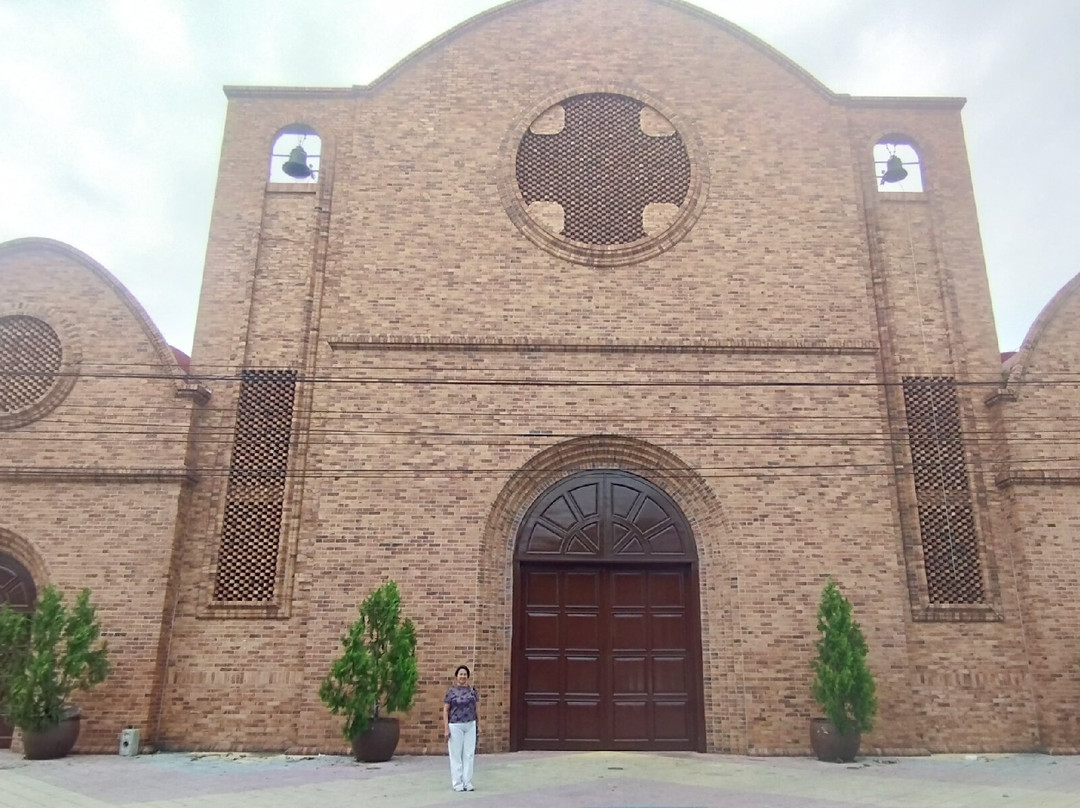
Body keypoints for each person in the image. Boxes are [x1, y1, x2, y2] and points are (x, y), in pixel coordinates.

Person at [443, 664, 479, 792]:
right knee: (456, 755)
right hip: (455, 725)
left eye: (465, 674)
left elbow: (476, 709)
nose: (462, 676)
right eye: (460, 674)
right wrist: (446, 728)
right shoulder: (451, 692)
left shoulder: (472, 691)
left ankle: (467, 782)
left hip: (470, 724)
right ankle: (457, 783)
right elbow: (446, 710)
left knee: (469, 754)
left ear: (467, 677)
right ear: (456, 676)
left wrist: (478, 724)